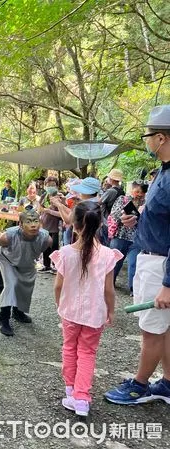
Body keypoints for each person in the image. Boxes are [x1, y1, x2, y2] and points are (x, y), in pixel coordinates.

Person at [104, 105, 170, 405]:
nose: (146, 141)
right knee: (163, 327)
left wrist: (168, 283)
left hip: (160, 262)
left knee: (151, 329)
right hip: (150, 254)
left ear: (160, 137)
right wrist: (140, 216)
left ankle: (139, 385)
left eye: (147, 136)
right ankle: (168, 383)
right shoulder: (162, 174)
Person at [51, 201, 122, 417]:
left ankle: (70, 390)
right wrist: (111, 310)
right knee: (87, 352)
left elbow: (58, 286)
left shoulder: (65, 253)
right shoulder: (108, 255)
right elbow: (108, 290)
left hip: (69, 312)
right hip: (95, 314)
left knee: (69, 348)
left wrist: (59, 303)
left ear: (74, 224)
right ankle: (82, 399)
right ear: (100, 223)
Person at [0, 208, 52, 336]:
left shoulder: (46, 238)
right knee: (12, 284)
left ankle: (18, 312)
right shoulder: (8, 236)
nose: (33, 225)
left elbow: (40, 250)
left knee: (26, 286)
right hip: (8, 260)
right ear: (20, 225)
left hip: (26, 261)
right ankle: (3, 318)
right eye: (28, 222)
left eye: (35, 221)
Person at [107, 181, 147, 293]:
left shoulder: (146, 203)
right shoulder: (123, 199)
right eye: (137, 191)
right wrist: (126, 213)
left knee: (134, 263)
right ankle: (109, 283)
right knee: (115, 262)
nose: (140, 194)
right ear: (132, 189)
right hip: (120, 236)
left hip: (136, 238)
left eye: (142, 192)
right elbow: (114, 215)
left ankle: (133, 289)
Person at [39, 176, 62, 273]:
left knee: (54, 246)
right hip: (45, 225)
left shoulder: (59, 196)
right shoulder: (44, 196)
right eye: (48, 185)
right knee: (45, 246)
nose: (50, 187)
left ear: (57, 186)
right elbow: (40, 209)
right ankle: (46, 265)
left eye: (53, 185)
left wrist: (48, 211)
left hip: (55, 226)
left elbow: (62, 213)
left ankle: (55, 266)